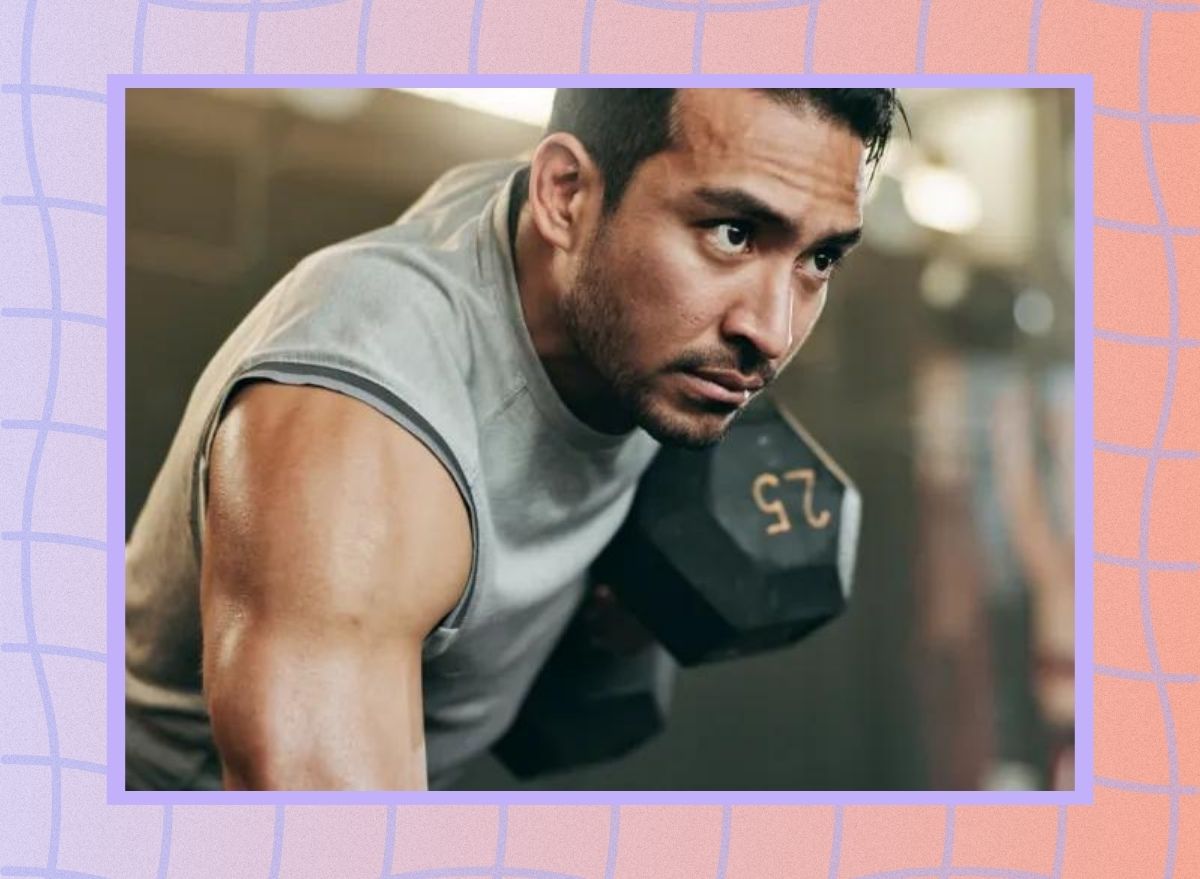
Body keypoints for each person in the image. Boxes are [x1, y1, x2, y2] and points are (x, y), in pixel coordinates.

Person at [125, 88, 902, 791]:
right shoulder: (356, 426)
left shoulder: (633, 298)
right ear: (563, 196)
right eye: (733, 233)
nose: (770, 331)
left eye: (819, 257)